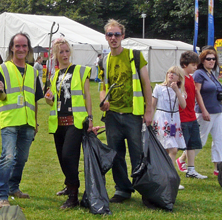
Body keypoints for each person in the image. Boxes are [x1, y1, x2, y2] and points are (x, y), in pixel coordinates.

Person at [99, 19, 152, 203]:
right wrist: (103, 100)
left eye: (117, 34)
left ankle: (144, 188)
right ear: (106, 37)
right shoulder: (103, 60)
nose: (113, 38)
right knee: (115, 155)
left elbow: (146, 84)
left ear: (123, 36)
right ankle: (122, 189)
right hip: (112, 115)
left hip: (133, 115)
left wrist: (149, 111)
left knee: (138, 154)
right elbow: (103, 87)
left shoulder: (135, 56)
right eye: (110, 35)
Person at [0, 32, 44, 209]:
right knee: (8, 157)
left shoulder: (32, 71)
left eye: (24, 46)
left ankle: (14, 187)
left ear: (28, 48)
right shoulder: (2, 69)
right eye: (17, 46)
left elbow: (35, 99)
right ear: (12, 48)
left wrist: (35, 122)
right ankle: (1, 195)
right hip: (10, 120)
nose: (21, 49)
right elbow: (1, 95)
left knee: (21, 158)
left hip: (28, 122)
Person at [45, 37, 93, 209]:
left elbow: (87, 95)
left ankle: (73, 195)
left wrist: (91, 118)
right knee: (62, 158)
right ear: (55, 55)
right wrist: (48, 98)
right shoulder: (55, 75)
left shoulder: (80, 70)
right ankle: (69, 184)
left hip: (76, 122)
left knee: (68, 156)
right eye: (61, 52)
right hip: (58, 122)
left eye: (66, 51)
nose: (64, 55)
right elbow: (53, 100)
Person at [175, 51, 208, 179]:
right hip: (182, 118)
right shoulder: (179, 78)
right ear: (184, 64)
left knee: (192, 144)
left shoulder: (190, 77)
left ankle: (191, 170)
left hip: (192, 116)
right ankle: (170, 172)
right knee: (177, 146)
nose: (195, 67)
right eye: (193, 65)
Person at [193, 48, 222, 176]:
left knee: (219, 140)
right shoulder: (199, 73)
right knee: (200, 140)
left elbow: (216, 93)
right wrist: (204, 110)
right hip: (204, 112)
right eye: (208, 59)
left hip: (218, 111)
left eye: (213, 59)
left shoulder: (211, 74)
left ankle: (218, 168)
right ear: (203, 60)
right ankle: (182, 159)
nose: (212, 61)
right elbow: (196, 93)